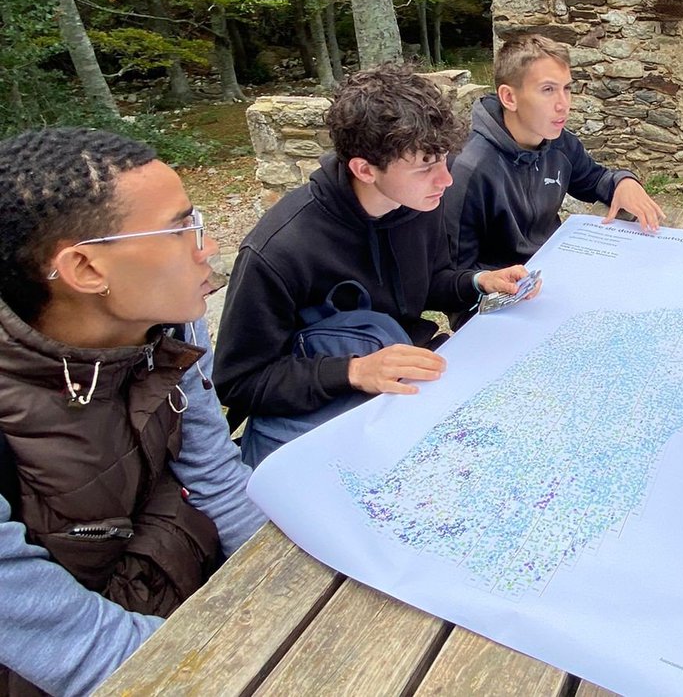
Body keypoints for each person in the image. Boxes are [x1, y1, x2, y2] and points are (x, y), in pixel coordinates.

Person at [0, 127, 265, 696]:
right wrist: (239, 666)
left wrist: (285, 585)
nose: (208, 246)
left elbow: (215, 477)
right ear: (87, 270)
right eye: (180, 229)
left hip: (179, 593)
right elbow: (71, 643)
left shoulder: (167, 325)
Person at [214, 63, 535, 467]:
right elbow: (240, 382)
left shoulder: (417, 202)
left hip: (401, 382)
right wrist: (354, 371)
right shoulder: (279, 250)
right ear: (364, 169)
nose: (445, 180)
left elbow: (427, 281)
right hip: (329, 414)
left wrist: (478, 280)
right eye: (425, 167)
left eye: (444, 160)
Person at [442, 33, 666, 274]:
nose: (563, 104)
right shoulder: (469, 167)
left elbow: (594, 179)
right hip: (499, 297)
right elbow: (454, 274)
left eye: (567, 89)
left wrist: (623, 182)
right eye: (548, 90)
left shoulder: (559, 143)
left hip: (554, 269)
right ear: (509, 97)